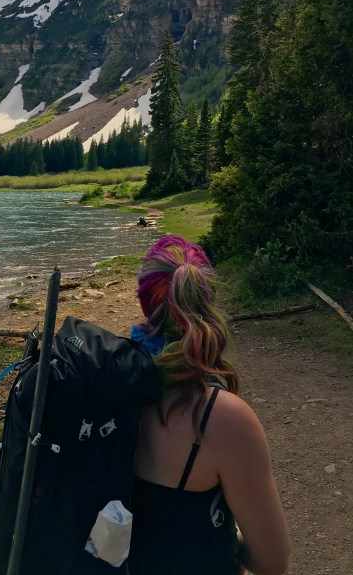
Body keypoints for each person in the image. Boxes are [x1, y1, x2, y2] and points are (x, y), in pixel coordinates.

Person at [127, 234, 290, 575]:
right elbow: (271, 563)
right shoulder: (224, 418)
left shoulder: (108, 386)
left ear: (145, 302)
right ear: (206, 298)